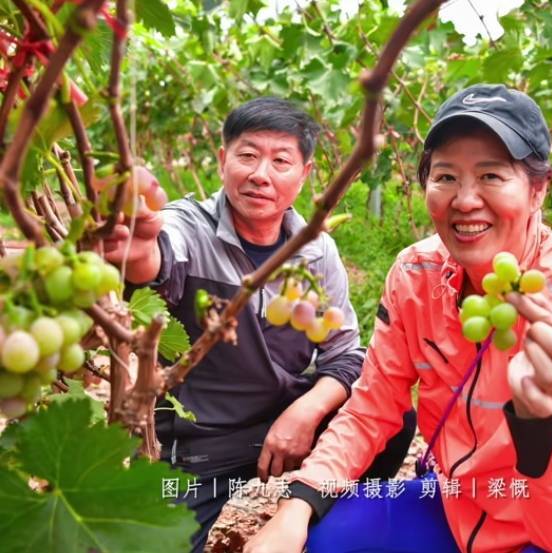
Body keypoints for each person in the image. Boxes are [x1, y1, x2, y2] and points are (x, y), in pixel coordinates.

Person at [245, 84, 552, 553]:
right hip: (460, 502)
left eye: (492, 176)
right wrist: (298, 504)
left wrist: (545, 421)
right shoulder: (416, 274)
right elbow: (373, 404)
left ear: (539, 189)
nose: (465, 200)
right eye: (446, 176)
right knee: (329, 539)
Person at [102, 97, 416, 553]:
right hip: (197, 448)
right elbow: (158, 259)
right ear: (223, 159)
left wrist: (305, 413)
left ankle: (318, 524)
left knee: (393, 421)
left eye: (281, 160)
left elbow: (347, 355)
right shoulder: (187, 226)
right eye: (248, 155)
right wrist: (138, 253)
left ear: (305, 175)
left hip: (278, 426)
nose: (260, 174)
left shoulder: (314, 250)